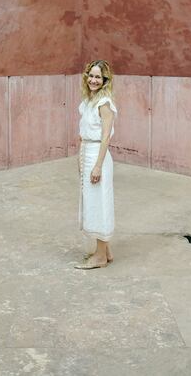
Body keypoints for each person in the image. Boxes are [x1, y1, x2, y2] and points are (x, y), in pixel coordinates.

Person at [75, 60, 117, 269]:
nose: (93, 80)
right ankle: (105, 251)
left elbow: (105, 137)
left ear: (105, 80)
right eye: (91, 75)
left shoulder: (104, 103)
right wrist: (80, 157)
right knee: (93, 202)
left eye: (98, 77)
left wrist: (98, 165)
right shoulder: (89, 100)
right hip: (87, 153)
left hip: (97, 155)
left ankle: (100, 257)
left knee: (99, 203)